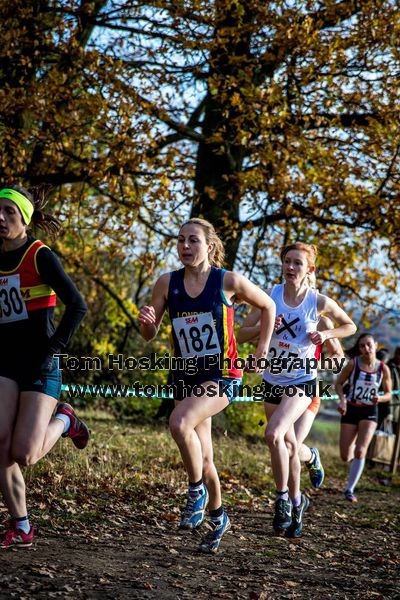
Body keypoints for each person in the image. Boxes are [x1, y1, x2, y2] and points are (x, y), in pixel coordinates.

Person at [138, 217, 275, 553]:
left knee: (179, 422)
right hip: (185, 375)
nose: (185, 246)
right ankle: (218, 518)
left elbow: (268, 305)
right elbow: (150, 334)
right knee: (206, 457)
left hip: (222, 374)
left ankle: (195, 490)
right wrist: (146, 324)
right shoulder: (166, 283)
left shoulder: (228, 281)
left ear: (209, 246)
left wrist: (261, 349)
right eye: (180, 239)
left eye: (193, 240)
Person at [237, 242, 356, 537]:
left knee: (274, 433)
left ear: (309, 269)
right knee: (287, 446)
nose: (290, 268)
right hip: (272, 379)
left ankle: (281, 501)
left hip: (302, 381)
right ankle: (296, 499)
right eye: (287, 262)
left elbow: (350, 326)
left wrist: (326, 334)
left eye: (297, 263)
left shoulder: (317, 302)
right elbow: (241, 333)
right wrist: (267, 327)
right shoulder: (269, 297)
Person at [0, 185, 88, 548]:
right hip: (5, 362)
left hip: (40, 363)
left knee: (25, 453)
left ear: (24, 219)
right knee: (0, 445)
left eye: (9, 212)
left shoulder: (40, 255)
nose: (1, 218)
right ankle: (21, 526)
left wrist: (54, 349)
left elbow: (77, 305)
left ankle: (66, 419)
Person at [335, 333, 392, 503]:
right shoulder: (353, 364)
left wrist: (379, 398)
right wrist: (343, 400)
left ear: (376, 345)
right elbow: (338, 384)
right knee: (346, 455)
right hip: (351, 409)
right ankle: (353, 455)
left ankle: (349, 489)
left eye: (369, 344)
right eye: (362, 346)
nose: (366, 349)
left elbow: (389, 394)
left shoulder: (383, 368)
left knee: (361, 451)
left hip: (370, 411)